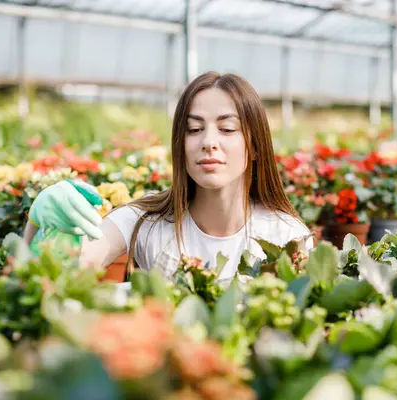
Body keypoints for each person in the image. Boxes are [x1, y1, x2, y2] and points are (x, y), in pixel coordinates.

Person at [23, 72, 314, 283]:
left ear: (254, 145)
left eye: (227, 129)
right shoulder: (145, 220)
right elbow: (62, 273)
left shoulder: (286, 235)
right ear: (180, 143)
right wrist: (37, 224)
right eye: (194, 129)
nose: (208, 142)